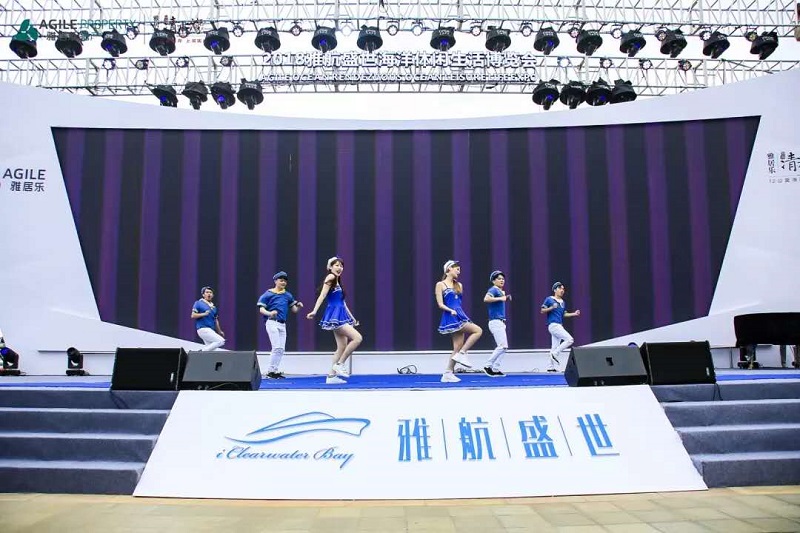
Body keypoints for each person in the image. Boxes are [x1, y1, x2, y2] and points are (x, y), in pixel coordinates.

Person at [306, 257, 362, 384]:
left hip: (341, 315)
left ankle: (331, 376)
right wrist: (314, 311)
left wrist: (352, 318)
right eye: (336, 265)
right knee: (358, 338)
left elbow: (343, 303)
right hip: (334, 315)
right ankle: (340, 364)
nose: (339, 268)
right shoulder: (330, 277)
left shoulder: (338, 281)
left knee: (341, 347)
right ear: (330, 267)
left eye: (341, 266)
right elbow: (322, 295)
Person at [435, 260, 483, 383]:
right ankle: (462, 354)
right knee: (478, 330)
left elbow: (458, 303)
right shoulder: (440, 284)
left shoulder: (459, 285)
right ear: (448, 269)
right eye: (456, 267)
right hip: (451, 316)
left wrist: (457, 312)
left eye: (459, 268)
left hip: (459, 314)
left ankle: (448, 373)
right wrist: (450, 310)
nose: (458, 270)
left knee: (456, 347)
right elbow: (440, 304)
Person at [257, 271, 304, 379]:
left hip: (282, 324)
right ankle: (270, 371)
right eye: (281, 280)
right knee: (276, 347)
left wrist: (299, 306)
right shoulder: (268, 294)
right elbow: (261, 309)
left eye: (285, 281)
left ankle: (274, 370)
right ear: (275, 281)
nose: (283, 283)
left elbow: (294, 310)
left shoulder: (287, 295)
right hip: (272, 322)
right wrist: (269, 313)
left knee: (281, 349)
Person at [540, 282, 580, 372]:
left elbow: (564, 314)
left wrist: (574, 314)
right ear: (555, 290)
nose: (562, 290)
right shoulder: (549, 299)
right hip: (553, 325)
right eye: (560, 288)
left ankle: (550, 367)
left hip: (559, 325)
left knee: (554, 346)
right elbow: (542, 310)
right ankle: (555, 353)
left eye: (563, 289)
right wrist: (551, 308)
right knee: (570, 340)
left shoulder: (562, 302)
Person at [483, 270, 511, 377]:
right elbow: (486, 299)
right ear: (493, 281)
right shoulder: (493, 289)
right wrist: (502, 298)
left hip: (500, 321)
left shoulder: (499, 291)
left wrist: (503, 297)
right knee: (502, 346)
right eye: (499, 279)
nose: (502, 280)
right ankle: (488, 365)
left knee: (504, 347)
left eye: (503, 279)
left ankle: (495, 368)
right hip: (495, 321)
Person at [191, 286, 225, 351]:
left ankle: (202, 354)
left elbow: (216, 320)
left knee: (210, 351)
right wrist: (204, 314)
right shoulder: (198, 303)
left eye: (210, 292)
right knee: (221, 341)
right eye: (207, 292)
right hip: (203, 329)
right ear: (203, 295)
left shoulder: (214, 307)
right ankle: (200, 353)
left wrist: (219, 331)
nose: (209, 294)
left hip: (210, 330)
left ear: (213, 295)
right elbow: (193, 315)